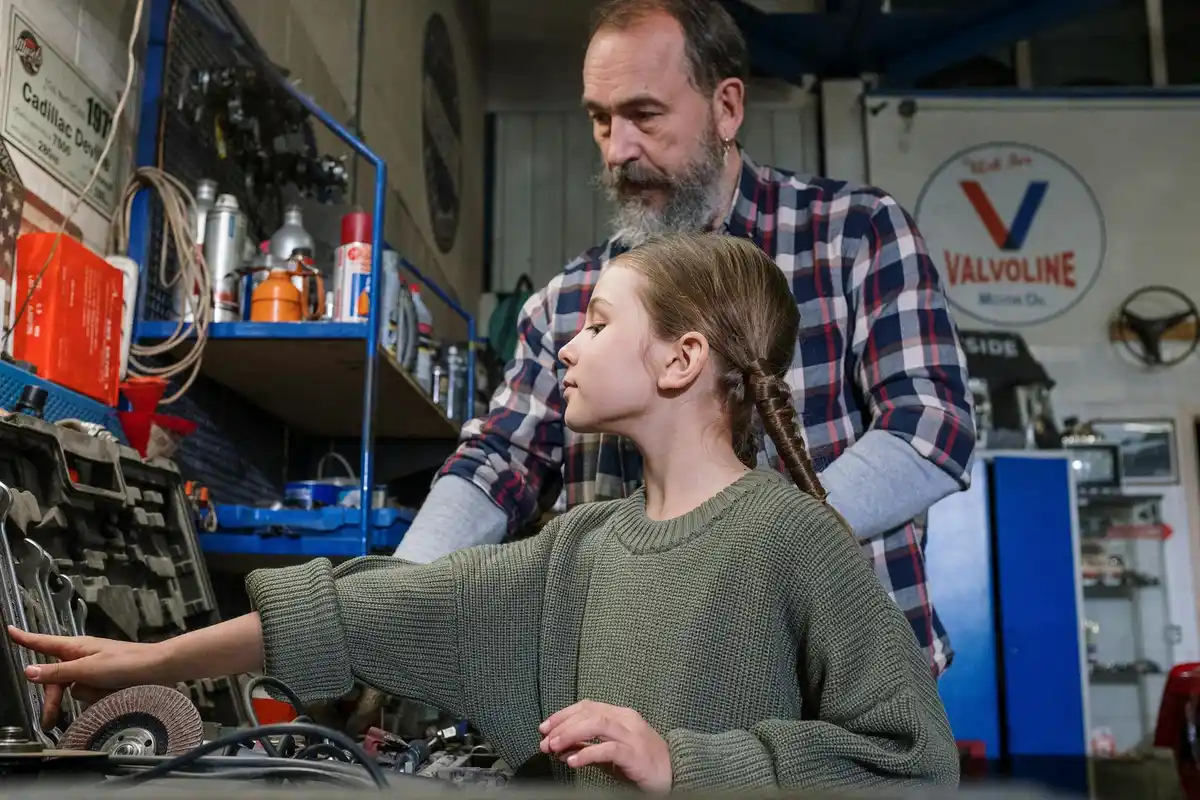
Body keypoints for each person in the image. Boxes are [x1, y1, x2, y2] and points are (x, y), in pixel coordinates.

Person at [10, 233, 959, 791]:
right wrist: (151, 661)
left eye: (595, 325)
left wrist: (684, 764)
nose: (568, 350)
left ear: (681, 360)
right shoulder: (582, 548)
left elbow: (912, 762)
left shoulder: (792, 539)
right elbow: (362, 609)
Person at [394, 0, 976, 678]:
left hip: (845, 695)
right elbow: (496, 462)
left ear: (726, 108)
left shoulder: (856, 237)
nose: (618, 150)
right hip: (642, 696)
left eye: (644, 115)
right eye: (599, 119)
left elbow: (931, 428)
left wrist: (743, 549)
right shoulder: (569, 302)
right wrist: (394, 600)